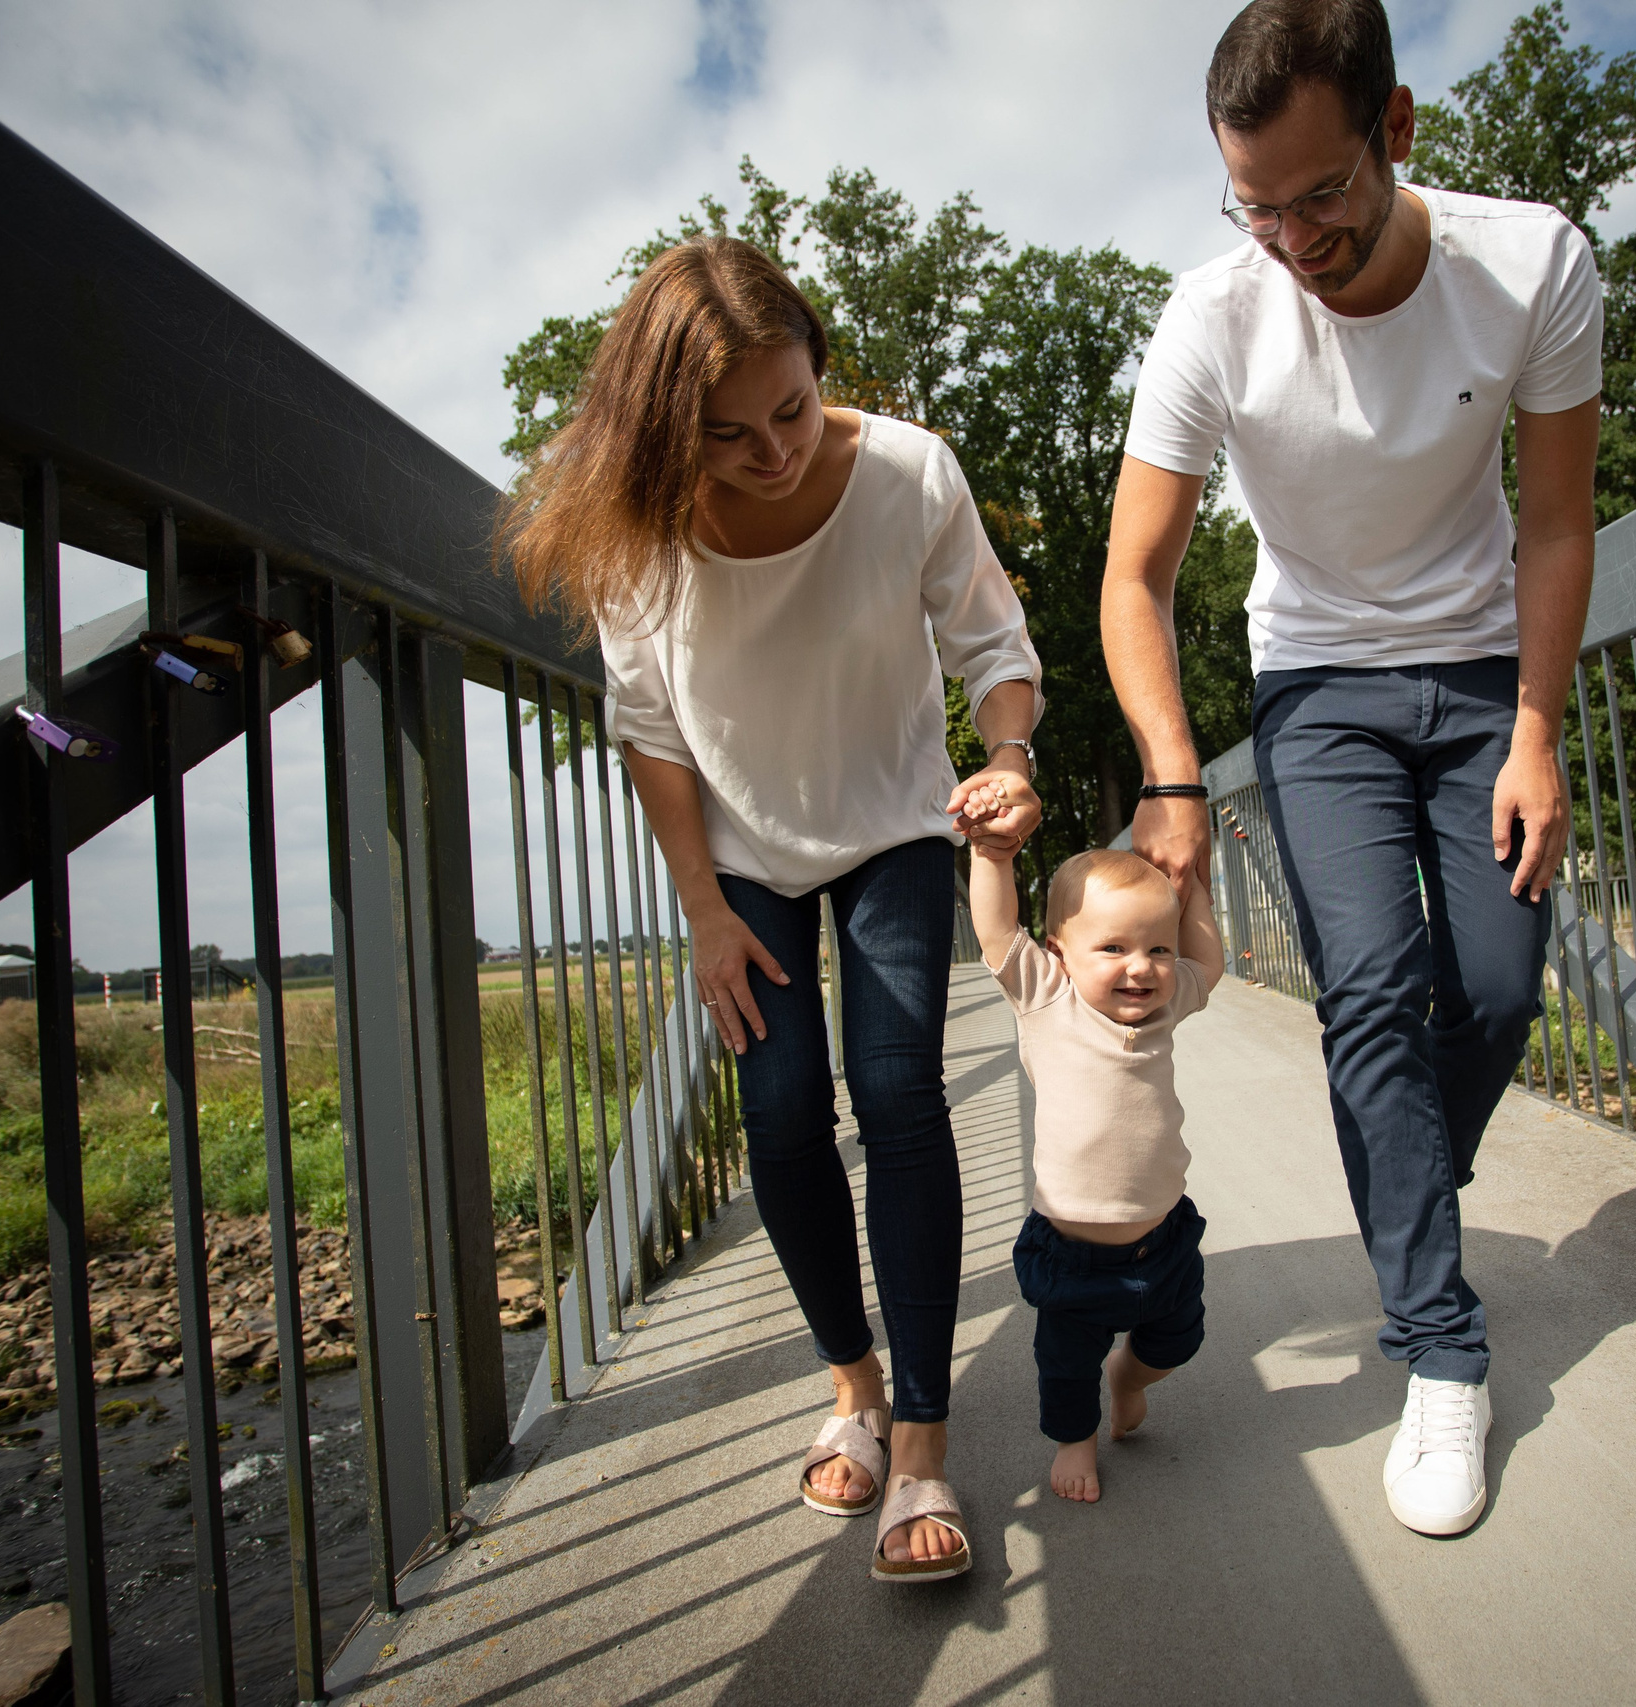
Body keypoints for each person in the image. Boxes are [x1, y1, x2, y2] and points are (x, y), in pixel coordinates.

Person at [1101, 0, 1603, 1537]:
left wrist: (1535, 732)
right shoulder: (1212, 317)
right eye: (1254, 206)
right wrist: (1176, 774)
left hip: (1472, 676)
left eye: (1320, 196)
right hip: (1313, 683)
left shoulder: (1532, 265)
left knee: (1504, 985)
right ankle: (1442, 1348)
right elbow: (1135, 576)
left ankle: (1402, 1195)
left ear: (1396, 131)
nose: (1292, 240)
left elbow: (1564, 518)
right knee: (1374, 989)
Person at [501, 235, 1045, 1583]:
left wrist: (1012, 757)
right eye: (730, 436)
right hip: (737, 848)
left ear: (819, 362)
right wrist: (700, 903)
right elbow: (649, 726)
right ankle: (852, 1385)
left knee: (899, 1090)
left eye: (791, 410)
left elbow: (993, 642)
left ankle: (921, 1440)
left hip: (895, 824)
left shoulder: (911, 471)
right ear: (666, 433)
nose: (775, 451)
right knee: (786, 1109)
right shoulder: (633, 522)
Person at [963, 802, 1225, 1504]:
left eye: (1157, 949)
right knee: (1064, 1366)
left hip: (1164, 1239)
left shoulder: (1169, 1004)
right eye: (1112, 949)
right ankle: (1076, 1436)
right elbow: (995, 930)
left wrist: (1192, 884)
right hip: (1073, 1253)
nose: (1141, 968)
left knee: (1175, 1342)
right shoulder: (1048, 999)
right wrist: (991, 857)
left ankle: (1129, 1377)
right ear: (1059, 954)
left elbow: (1210, 959)